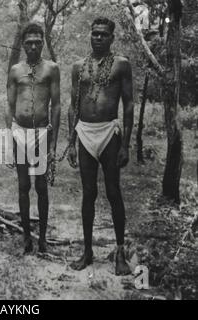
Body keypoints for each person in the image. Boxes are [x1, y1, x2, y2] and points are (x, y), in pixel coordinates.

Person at [67, 17, 134, 275]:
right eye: (95, 34)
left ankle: (119, 253)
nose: (98, 38)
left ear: (112, 38)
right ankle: (87, 251)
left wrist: (125, 145)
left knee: (113, 191)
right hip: (84, 132)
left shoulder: (121, 65)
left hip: (108, 132)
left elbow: (128, 104)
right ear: (90, 35)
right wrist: (71, 142)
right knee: (88, 193)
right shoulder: (78, 66)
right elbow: (73, 105)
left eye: (104, 35)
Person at [6, 22, 61, 254]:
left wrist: (53, 140)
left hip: (41, 133)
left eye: (37, 42)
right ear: (23, 44)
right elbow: (9, 105)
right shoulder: (16, 70)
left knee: (41, 185)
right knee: (23, 185)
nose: (33, 46)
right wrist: (10, 135)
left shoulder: (51, 69)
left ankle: (42, 239)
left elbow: (57, 105)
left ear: (43, 43)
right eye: (29, 42)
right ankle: (27, 237)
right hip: (20, 131)